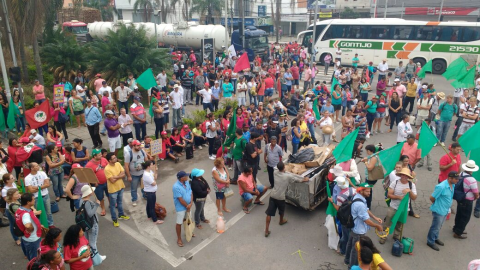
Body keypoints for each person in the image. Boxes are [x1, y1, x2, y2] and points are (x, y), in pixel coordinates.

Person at [344, 183, 383, 269]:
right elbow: (366, 221)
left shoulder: (359, 197)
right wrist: (377, 226)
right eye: (367, 191)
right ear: (361, 191)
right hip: (359, 231)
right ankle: (351, 266)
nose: (369, 193)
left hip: (354, 228)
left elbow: (366, 210)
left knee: (350, 244)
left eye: (370, 191)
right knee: (356, 250)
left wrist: (375, 217)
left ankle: (346, 260)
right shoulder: (360, 204)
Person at [265, 161, 308, 237]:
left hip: (273, 195)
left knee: (269, 213)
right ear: (284, 167)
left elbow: (280, 171)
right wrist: (305, 179)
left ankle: (266, 230)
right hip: (280, 197)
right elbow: (297, 179)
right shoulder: (287, 177)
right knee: (281, 211)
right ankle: (281, 221)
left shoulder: (275, 172)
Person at [379, 168, 417, 244]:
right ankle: (384, 236)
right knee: (387, 223)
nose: (404, 176)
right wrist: (399, 197)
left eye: (406, 175)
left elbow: (414, 198)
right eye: (403, 175)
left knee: (399, 224)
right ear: (400, 175)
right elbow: (389, 195)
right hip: (393, 207)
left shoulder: (411, 185)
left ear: (408, 177)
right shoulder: (395, 183)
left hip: (404, 209)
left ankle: (396, 236)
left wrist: (409, 191)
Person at [427, 171, 459, 251]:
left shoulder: (453, 185)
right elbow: (432, 197)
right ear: (449, 178)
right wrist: (438, 205)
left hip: (445, 209)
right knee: (435, 227)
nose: (457, 180)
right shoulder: (441, 186)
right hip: (439, 210)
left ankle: (435, 237)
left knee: (439, 226)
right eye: (456, 179)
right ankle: (430, 241)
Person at [328, 176, 356, 254]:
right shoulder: (353, 190)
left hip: (346, 218)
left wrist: (332, 201)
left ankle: (343, 250)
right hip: (354, 215)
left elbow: (338, 209)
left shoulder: (340, 197)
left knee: (345, 235)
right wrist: (351, 184)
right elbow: (358, 190)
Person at [453, 160, 479, 239]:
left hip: (460, 197)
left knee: (459, 214)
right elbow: (476, 193)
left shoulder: (461, 174)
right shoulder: (472, 180)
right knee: (465, 217)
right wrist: (476, 197)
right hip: (467, 200)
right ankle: (458, 232)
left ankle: (456, 228)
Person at [24, 162, 54, 227]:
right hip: (36, 198)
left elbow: (48, 184)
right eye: (36, 166)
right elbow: (31, 190)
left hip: (46, 195)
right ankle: (41, 225)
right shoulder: (27, 178)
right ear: (32, 168)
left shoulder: (42, 173)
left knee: (49, 212)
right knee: (39, 212)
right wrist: (43, 186)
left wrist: (37, 187)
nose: (38, 166)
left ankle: (51, 224)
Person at [104, 153, 130, 227]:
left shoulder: (118, 164)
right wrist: (119, 176)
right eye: (114, 158)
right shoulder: (107, 169)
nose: (116, 159)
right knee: (112, 206)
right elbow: (112, 181)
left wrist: (116, 177)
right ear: (109, 160)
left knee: (120, 202)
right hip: (113, 190)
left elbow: (123, 174)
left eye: (115, 157)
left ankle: (121, 215)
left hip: (120, 187)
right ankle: (114, 219)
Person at [15, 193, 43, 260]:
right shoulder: (26, 214)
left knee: (30, 253)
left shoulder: (20, 210)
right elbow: (27, 225)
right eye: (33, 200)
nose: (34, 201)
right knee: (34, 258)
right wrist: (31, 228)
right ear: (28, 202)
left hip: (26, 237)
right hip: (32, 239)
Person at [173, 170, 193, 247]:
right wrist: (187, 206)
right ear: (182, 178)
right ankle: (179, 239)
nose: (187, 177)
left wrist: (190, 203)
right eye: (186, 176)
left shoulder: (187, 183)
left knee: (188, 219)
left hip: (188, 205)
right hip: (181, 207)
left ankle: (188, 232)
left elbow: (191, 193)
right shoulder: (176, 187)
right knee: (179, 223)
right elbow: (180, 199)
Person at [124, 140, 148, 206]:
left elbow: (146, 160)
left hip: (142, 173)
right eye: (137, 145)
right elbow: (126, 166)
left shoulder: (142, 151)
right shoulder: (129, 154)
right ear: (133, 146)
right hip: (134, 175)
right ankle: (134, 199)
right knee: (134, 188)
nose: (139, 147)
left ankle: (145, 196)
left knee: (144, 186)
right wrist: (129, 176)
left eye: (140, 145)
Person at [86, 149, 109, 216]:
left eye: (101, 154)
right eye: (99, 155)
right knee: (100, 197)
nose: (101, 155)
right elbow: (88, 175)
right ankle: (103, 209)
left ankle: (112, 204)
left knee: (109, 194)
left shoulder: (103, 160)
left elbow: (109, 167)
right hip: (98, 185)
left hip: (107, 181)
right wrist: (94, 182)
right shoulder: (89, 165)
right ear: (94, 156)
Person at [2, 175, 19, 244]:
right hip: (10, 210)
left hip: (17, 206)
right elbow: (7, 200)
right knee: (13, 224)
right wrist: (16, 197)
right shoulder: (4, 190)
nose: (14, 178)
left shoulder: (14, 184)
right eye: (12, 178)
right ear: (7, 181)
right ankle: (16, 239)